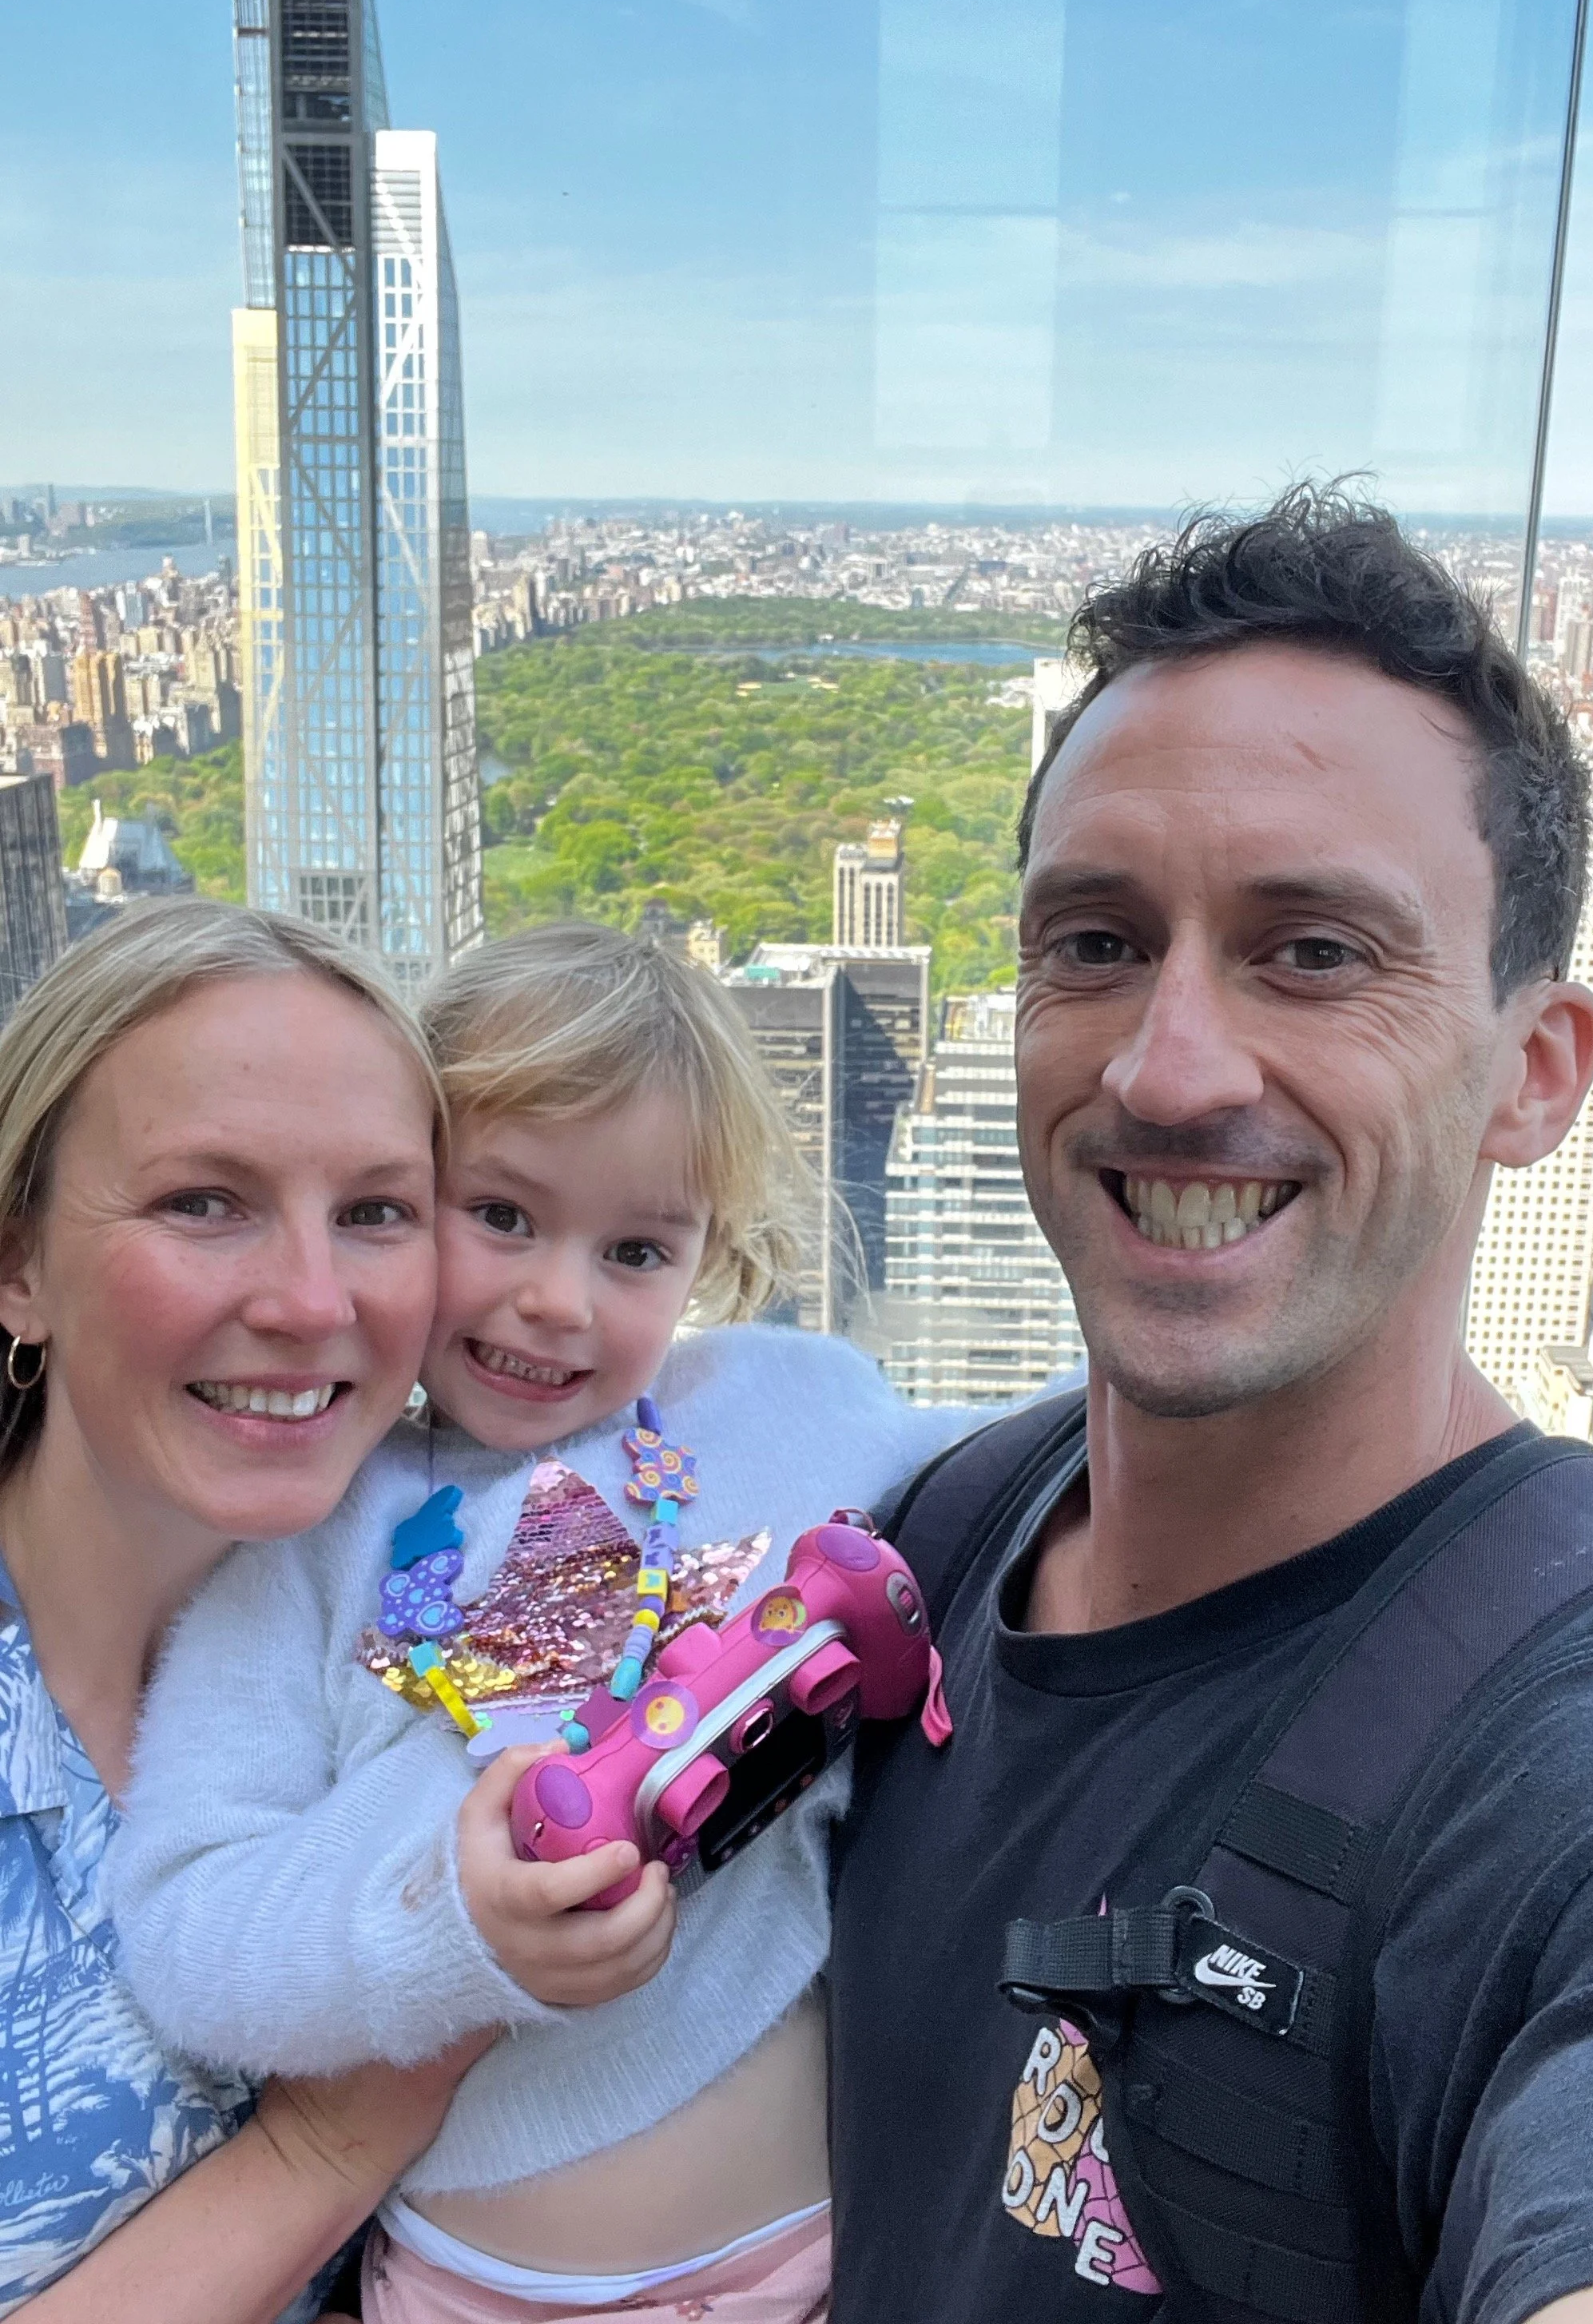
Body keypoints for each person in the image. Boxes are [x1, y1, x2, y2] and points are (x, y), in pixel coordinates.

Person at [828, 488, 1593, 2323]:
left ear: (1533, 1074)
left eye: (1314, 950)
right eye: (1096, 940)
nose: (1167, 1062)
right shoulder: (946, 1528)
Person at [110, 922, 982, 2324]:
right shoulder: (309, 1536)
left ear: (708, 1255)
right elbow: (183, 1931)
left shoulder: (782, 1404)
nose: (556, 1298)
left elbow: (1058, 1469)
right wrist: (449, 1928)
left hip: (823, 2257)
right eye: (502, 1214)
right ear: (398, 1201)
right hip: (478, 2294)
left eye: (636, 1248)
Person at [0, 899, 486, 2322]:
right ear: (18, 1264)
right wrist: (326, 2147)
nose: (310, 1297)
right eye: (204, 1201)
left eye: (378, 1212)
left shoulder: (450, 1641)